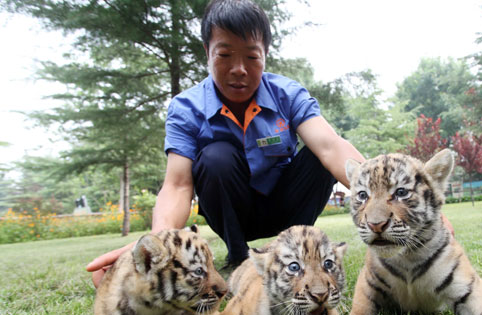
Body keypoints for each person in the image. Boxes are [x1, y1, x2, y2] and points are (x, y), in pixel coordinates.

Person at [86, 0, 365, 287]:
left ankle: (291, 248)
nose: (239, 69)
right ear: (207, 53)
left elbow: (331, 146)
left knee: (319, 160)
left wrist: (384, 194)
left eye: (252, 57)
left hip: (286, 207)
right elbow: (177, 185)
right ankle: (238, 256)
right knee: (215, 156)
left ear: (265, 55)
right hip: (233, 213)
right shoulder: (186, 108)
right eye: (225, 55)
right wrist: (158, 243)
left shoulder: (288, 94)